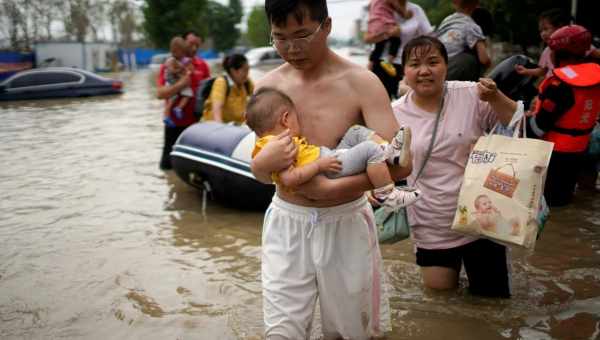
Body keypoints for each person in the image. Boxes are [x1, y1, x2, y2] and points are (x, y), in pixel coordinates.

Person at [251, 0, 412, 337]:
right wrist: (261, 167)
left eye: (302, 35)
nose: (291, 49)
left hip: (346, 222)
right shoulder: (267, 88)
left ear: (326, 26)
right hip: (287, 222)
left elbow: (399, 165)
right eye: (279, 38)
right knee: (281, 331)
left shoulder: (361, 83)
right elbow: (263, 170)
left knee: (349, 331)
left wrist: (331, 190)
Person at [392, 36, 517, 298]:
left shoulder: (472, 94)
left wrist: (495, 97)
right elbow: (385, 164)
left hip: (482, 216)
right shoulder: (394, 113)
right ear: (404, 71)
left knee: (492, 303)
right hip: (430, 221)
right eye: (414, 64)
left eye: (433, 62)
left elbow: (515, 123)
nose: (424, 70)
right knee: (441, 302)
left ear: (446, 66)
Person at [247, 86, 420, 211]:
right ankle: (386, 194)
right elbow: (290, 179)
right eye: (296, 117)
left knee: (356, 132)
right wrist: (319, 166)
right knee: (369, 149)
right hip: (327, 168)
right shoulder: (279, 145)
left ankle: (390, 153)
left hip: (328, 157)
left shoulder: (270, 143)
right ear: (286, 119)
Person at [525, 25, 600, 207]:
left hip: (555, 153)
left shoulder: (559, 84)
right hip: (580, 148)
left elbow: (538, 128)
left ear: (556, 54)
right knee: (566, 200)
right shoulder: (596, 77)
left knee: (548, 205)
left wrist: (523, 120)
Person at [156, 31, 210, 170]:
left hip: (196, 125)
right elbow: (160, 93)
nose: (194, 48)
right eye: (191, 44)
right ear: (182, 43)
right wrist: (181, 84)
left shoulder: (203, 65)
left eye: (197, 45)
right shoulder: (169, 65)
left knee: (193, 167)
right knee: (168, 166)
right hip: (174, 124)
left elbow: (209, 93)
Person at [364, 0, 432, 98]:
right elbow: (367, 39)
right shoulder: (381, 7)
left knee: (406, 101)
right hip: (381, 64)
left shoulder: (415, 10)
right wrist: (386, 34)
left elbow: (428, 35)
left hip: (406, 64)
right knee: (381, 101)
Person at [435, 0, 491, 81]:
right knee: (471, 59)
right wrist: (489, 64)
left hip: (438, 67)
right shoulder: (472, 26)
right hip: (453, 71)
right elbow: (484, 59)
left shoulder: (446, 21)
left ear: (454, 2)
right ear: (476, 4)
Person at [515, 8, 571, 79]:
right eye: (541, 31)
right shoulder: (547, 51)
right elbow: (543, 71)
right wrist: (526, 71)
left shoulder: (576, 46)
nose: (543, 34)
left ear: (560, 27)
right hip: (553, 87)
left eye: (546, 29)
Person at [201, 53, 253, 124]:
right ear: (233, 71)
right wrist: (221, 129)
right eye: (245, 70)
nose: (247, 74)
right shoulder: (221, 83)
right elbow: (217, 110)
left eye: (248, 70)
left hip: (237, 126)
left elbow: (258, 96)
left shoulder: (246, 82)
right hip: (216, 127)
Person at [367, 0, 412, 77]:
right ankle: (389, 62)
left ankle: (370, 64)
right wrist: (405, 14)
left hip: (374, 23)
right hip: (385, 22)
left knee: (379, 45)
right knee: (396, 40)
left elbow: (369, 7)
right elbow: (397, 8)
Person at [163, 37, 194, 127]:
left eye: (184, 53)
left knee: (186, 94)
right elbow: (172, 71)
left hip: (176, 82)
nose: (183, 55)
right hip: (171, 82)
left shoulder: (182, 60)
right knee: (173, 98)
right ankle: (167, 116)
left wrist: (186, 69)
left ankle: (178, 108)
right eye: (182, 52)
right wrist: (180, 69)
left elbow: (189, 69)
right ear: (174, 51)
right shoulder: (170, 60)